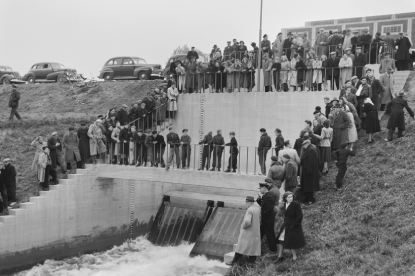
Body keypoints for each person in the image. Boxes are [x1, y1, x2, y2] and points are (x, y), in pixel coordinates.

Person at [227, 196, 261, 266]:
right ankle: (252, 262)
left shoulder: (250, 210)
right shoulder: (258, 208)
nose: (246, 204)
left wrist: (243, 226)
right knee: (253, 248)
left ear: (249, 202)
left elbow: (247, 222)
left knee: (240, 247)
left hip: (247, 232)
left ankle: (234, 262)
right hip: (255, 232)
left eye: (246, 203)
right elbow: (260, 219)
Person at [276, 192, 306, 262]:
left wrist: (294, 225)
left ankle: (294, 257)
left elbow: (300, 217)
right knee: (281, 239)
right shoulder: (285, 204)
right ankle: (280, 256)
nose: (290, 198)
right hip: (286, 224)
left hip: (293, 225)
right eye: (289, 197)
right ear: (285, 198)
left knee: (290, 240)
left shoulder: (296, 205)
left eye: (291, 197)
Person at [256, 182, 277, 253]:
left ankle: (273, 250)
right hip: (265, 220)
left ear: (265, 188)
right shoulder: (266, 196)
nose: (260, 190)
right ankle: (256, 248)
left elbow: (269, 209)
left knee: (270, 236)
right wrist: (259, 200)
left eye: (260, 188)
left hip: (268, 220)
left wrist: (263, 214)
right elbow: (264, 206)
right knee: (260, 234)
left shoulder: (269, 197)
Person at [300, 139, 320, 205]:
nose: (303, 147)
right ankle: (307, 199)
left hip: (309, 171)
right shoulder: (310, 149)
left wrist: (309, 171)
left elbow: (311, 162)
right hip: (307, 171)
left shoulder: (311, 150)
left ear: (307, 144)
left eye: (304, 145)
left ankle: (311, 200)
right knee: (307, 186)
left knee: (309, 187)